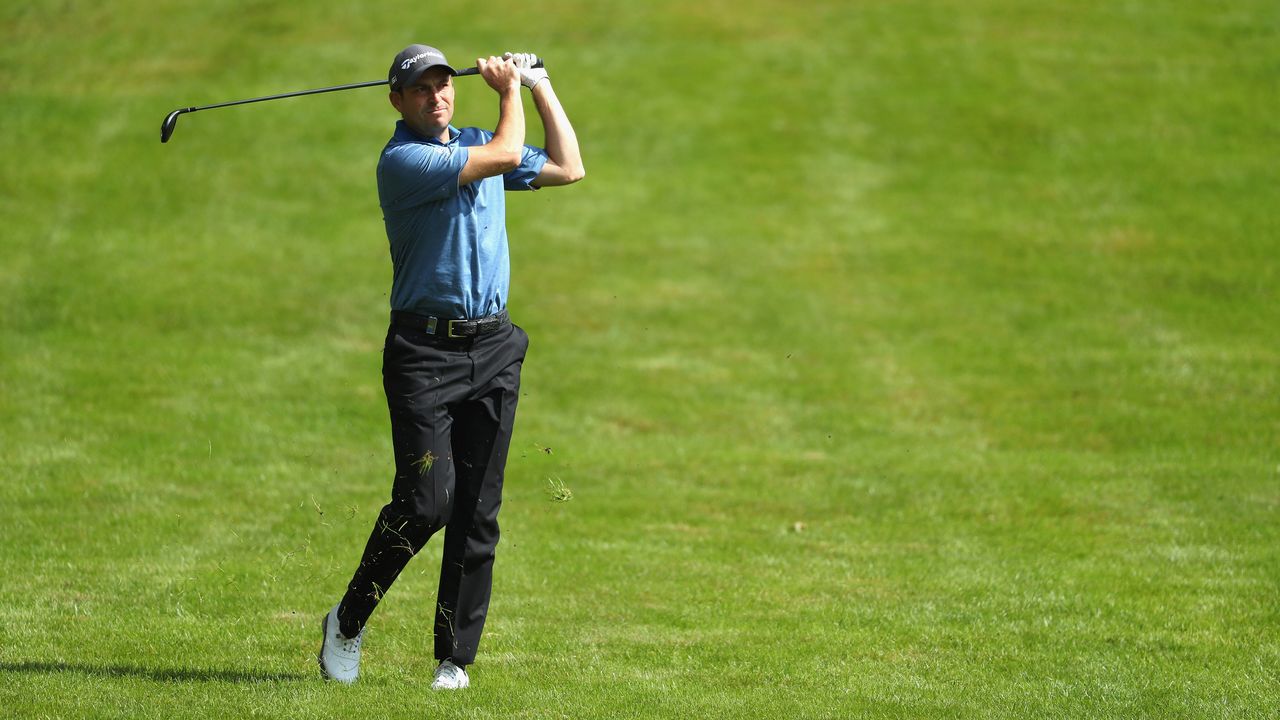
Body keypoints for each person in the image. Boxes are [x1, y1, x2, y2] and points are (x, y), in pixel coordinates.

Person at [317, 45, 584, 691]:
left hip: (493, 349)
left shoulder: (473, 140)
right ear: (397, 101)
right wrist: (508, 92)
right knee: (427, 501)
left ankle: (453, 660)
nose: (436, 97)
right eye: (421, 90)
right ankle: (347, 622)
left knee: (478, 511)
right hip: (424, 355)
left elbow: (569, 167)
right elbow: (497, 155)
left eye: (443, 86)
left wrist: (540, 85)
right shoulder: (404, 161)